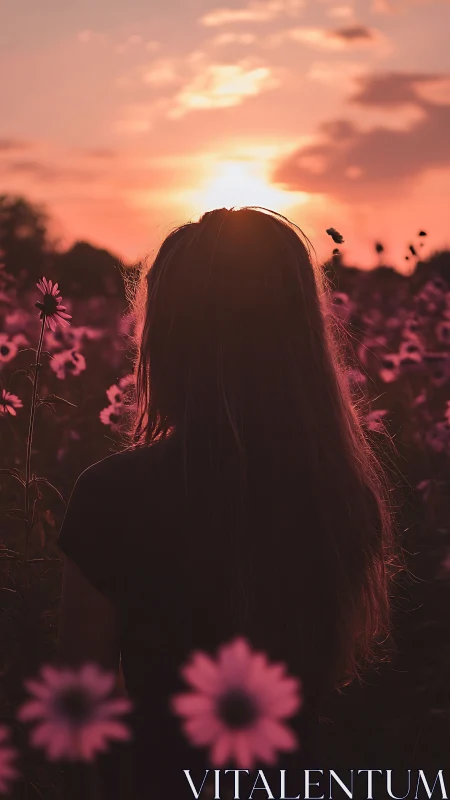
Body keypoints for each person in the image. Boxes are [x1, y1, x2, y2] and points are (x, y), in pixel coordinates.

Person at [58, 206, 402, 799]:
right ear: (300, 339)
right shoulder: (344, 500)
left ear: (166, 337)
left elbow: (74, 726)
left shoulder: (113, 495)